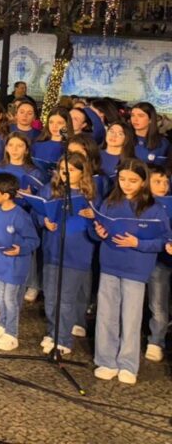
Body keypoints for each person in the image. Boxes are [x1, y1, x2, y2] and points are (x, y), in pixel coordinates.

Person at [91, 158, 170, 384]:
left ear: (143, 181)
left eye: (133, 180)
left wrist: (138, 243)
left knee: (131, 318)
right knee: (106, 315)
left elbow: (164, 240)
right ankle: (106, 360)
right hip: (109, 264)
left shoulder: (154, 208)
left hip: (136, 268)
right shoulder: (110, 202)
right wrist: (100, 232)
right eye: (123, 179)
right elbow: (98, 229)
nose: (126, 184)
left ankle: (128, 364)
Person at [36, 152, 97, 356]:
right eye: (63, 170)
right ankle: (53, 332)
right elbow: (39, 212)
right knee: (51, 297)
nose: (66, 174)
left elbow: (99, 229)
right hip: (53, 250)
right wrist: (44, 220)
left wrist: (92, 217)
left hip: (76, 255)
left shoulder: (90, 197)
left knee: (66, 299)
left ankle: (63, 338)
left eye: (71, 170)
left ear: (82, 172)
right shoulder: (51, 190)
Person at [0, 172, 40, 351]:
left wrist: (21, 249)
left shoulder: (20, 216)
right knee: (1, 296)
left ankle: (12, 334)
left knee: (10, 299)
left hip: (15, 266)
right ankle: (3, 325)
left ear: (5, 195)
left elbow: (34, 240)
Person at [145, 166, 171, 361]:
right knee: (155, 302)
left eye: (166, 182)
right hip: (149, 257)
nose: (163, 186)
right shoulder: (142, 204)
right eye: (157, 182)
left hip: (165, 260)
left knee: (159, 303)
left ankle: (156, 341)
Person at [130, 102, 169, 167]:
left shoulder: (163, 143)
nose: (135, 119)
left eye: (140, 116)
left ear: (150, 119)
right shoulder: (124, 136)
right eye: (132, 115)